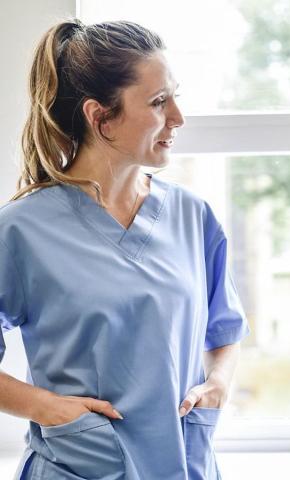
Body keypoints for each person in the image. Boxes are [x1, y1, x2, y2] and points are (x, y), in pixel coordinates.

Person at [0, 19, 249, 479]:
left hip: (186, 465)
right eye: (158, 102)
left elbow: (225, 330)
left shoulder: (192, 216)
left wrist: (217, 385)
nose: (178, 117)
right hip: (80, 466)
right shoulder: (22, 229)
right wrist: (47, 408)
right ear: (100, 117)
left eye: (174, 97)